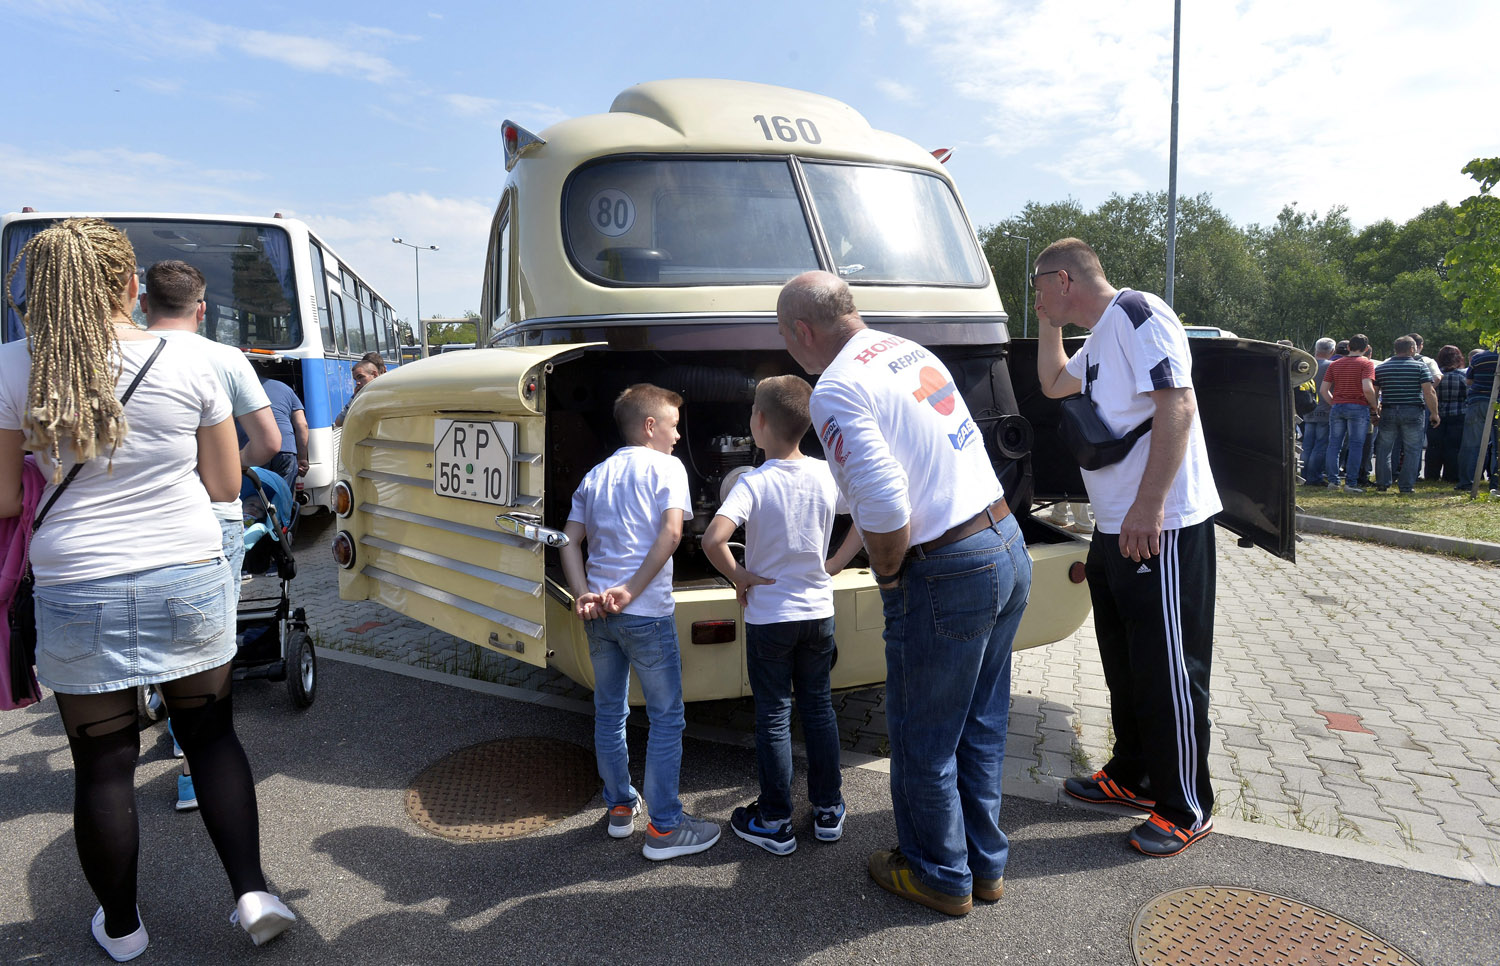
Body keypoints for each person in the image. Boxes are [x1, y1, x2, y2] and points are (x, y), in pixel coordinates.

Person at [0, 219, 295, 960]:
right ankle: (254, 892)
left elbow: (6, 498)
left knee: (104, 766)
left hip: (76, 583)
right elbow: (227, 483)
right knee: (213, 738)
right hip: (186, 573)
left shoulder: (13, 368)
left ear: (39, 293)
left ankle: (124, 929)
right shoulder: (196, 358)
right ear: (127, 285)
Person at [777, 271, 1029, 916]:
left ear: (803, 331)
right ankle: (984, 865)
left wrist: (889, 577)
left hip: (946, 568)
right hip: (1003, 541)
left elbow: (886, 503)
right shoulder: (905, 350)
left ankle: (938, 873)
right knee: (978, 722)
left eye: (785, 337)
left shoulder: (835, 388)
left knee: (921, 734)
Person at [1032, 238, 1221, 859]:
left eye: (1039, 286)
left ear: (1064, 279)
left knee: (1169, 667)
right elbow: (1055, 382)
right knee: (1126, 658)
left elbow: (1179, 403)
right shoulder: (1099, 337)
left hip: (1159, 523)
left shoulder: (1140, 312)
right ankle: (1134, 774)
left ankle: (1185, 804)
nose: (1036, 295)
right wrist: (1044, 323)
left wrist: (1150, 505)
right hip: (1116, 525)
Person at [700, 375, 862, 856]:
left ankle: (773, 819)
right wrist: (832, 565)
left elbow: (712, 540)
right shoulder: (821, 475)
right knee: (818, 708)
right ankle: (829, 810)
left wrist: (739, 575)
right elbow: (865, 518)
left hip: (770, 618)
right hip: (818, 613)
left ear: (759, 423)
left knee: (774, 715)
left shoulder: (753, 482)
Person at [559, 384, 721, 861]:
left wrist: (582, 592)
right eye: (672, 425)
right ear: (650, 426)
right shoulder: (668, 467)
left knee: (611, 713)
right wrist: (630, 590)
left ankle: (619, 811)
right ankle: (666, 830)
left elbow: (568, 541)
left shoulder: (595, 475)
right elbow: (673, 533)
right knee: (667, 718)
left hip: (599, 616)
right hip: (645, 615)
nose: (676, 436)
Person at [142, 259, 282, 811]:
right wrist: (218, 473)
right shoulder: (223, 358)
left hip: (133, 525)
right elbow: (268, 442)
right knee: (201, 650)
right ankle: (192, 773)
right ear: (202, 309)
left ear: (143, 302)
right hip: (210, 519)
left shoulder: (117, 353)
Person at [1372, 336, 1438, 494]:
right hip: (1413, 410)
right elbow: (1429, 391)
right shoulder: (1420, 367)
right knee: (1413, 449)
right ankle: (1406, 486)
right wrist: (1434, 413)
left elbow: (1374, 393)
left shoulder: (1382, 368)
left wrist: (1374, 411)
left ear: (1396, 349)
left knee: (1384, 448)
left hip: (1388, 409)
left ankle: (1382, 483)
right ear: (1412, 349)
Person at [1320, 333, 1378, 493]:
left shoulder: (1335, 364)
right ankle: (1350, 483)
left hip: (1338, 406)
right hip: (1358, 407)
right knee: (1356, 445)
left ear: (1349, 347)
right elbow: (1367, 387)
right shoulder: (1366, 364)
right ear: (1366, 349)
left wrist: (1335, 402)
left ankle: (1333, 481)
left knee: (1334, 445)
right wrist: (1374, 405)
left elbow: (1324, 390)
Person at [1457, 345, 1499, 492]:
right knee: (1497, 447)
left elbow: (1469, 381)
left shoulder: (1478, 357)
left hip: (1478, 402)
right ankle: (1496, 484)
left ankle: (1466, 482)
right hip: (1498, 403)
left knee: (1471, 443)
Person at [257, 377, 308, 495]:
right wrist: (302, 458)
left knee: (258, 499)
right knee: (282, 499)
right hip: (285, 449)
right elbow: (302, 425)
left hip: (256, 449)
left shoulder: (241, 387)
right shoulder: (285, 388)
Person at [1427, 345, 1468, 482]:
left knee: (1434, 446)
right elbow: (1467, 396)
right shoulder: (1462, 376)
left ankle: (1432, 475)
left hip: (1436, 413)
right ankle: (1451, 476)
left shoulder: (1435, 376)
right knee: (1454, 447)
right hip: (1458, 414)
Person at [1300, 338, 1336, 486]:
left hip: (1309, 409)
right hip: (1326, 409)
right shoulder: (1332, 366)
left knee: (1307, 445)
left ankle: (1303, 475)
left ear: (1316, 349)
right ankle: (1315, 477)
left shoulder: (1307, 365)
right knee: (1320, 445)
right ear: (1332, 351)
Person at [334, 358, 381, 428]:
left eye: (361, 377)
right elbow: (338, 422)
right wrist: (354, 399)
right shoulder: (358, 396)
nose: (357, 383)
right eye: (356, 379)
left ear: (374, 374)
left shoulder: (387, 391)